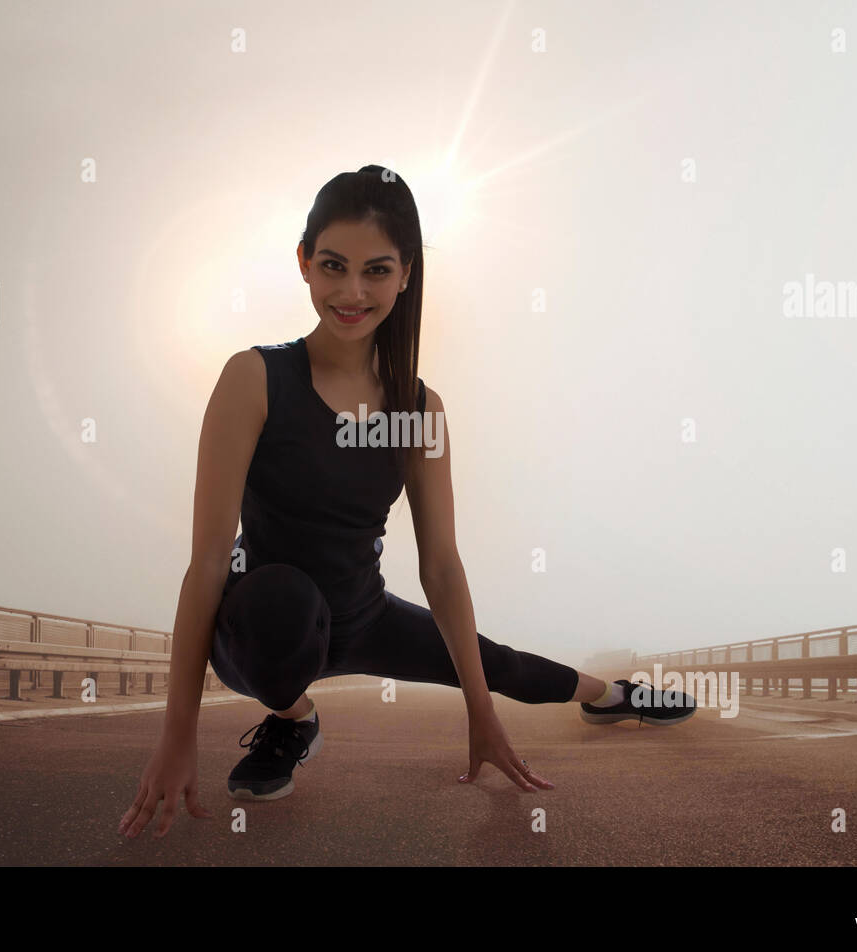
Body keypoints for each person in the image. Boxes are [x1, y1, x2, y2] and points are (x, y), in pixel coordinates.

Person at [119, 165, 695, 839]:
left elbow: (442, 568)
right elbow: (209, 561)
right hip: (257, 624)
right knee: (283, 605)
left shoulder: (421, 412)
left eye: (377, 271)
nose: (352, 291)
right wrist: (177, 736)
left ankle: (614, 696)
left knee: (493, 663)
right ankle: (293, 718)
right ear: (303, 263)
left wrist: (479, 712)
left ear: (407, 274)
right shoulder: (255, 378)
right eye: (333, 265)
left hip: (360, 614)